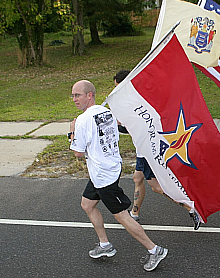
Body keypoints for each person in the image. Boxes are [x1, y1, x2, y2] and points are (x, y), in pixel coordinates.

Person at [69, 79, 168, 271]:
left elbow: (78, 153)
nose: (74, 99)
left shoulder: (82, 121)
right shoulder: (107, 112)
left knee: (122, 216)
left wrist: (71, 133)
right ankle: (105, 245)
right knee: (87, 204)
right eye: (73, 95)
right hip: (107, 169)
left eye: (77, 95)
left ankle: (154, 249)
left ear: (90, 95)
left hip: (104, 176)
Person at [113, 70, 201, 230]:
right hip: (144, 150)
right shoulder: (136, 99)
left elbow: (135, 128)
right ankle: (134, 214)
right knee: (137, 178)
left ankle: (191, 207)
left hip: (146, 152)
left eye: (118, 87)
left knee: (157, 187)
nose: (116, 91)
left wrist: (119, 125)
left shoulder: (133, 103)